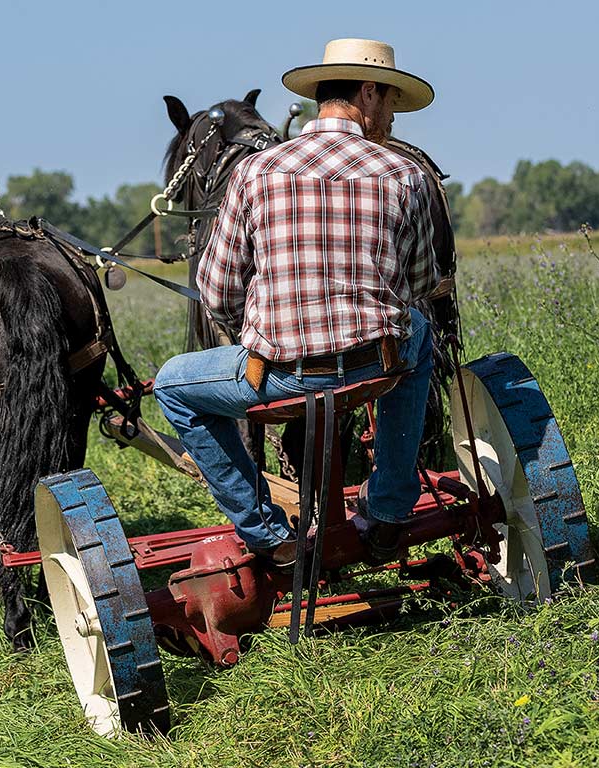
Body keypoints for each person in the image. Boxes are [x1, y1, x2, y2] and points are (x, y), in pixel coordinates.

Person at [154, 38, 445, 567]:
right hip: (375, 366)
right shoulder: (406, 175)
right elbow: (421, 282)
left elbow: (216, 292)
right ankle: (388, 510)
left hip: (281, 377)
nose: (393, 120)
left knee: (173, 385)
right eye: (392, 104)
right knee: (418, 333)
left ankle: (268, 533)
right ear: (369, 92)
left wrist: (263, 330)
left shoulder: (255, 172)